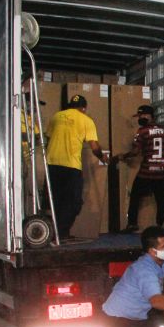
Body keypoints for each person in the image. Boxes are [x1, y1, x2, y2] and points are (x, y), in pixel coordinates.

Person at [45, 94, 107, 240]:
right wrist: (102, 157)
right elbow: (94, 146)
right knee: (74, 202)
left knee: (55, 200)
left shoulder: (56, 116)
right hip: (71, 166)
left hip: (52, 163)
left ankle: (54, 232)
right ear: (84, 108)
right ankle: (61, 233)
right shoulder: (86, 120)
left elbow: (48, 137)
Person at [102, 226, 164, 327]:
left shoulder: (162, 263)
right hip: (118, 320)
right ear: (153, 251)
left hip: (139, 317)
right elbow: (157, 301)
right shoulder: (144, 270)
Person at [112, 105, 164, 232]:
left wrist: (123, 156)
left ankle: (132, 224)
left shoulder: (142, 131)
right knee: (161, 200)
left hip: (146, 172)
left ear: (150, 116)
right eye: (139, 116)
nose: (140, 118)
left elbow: (135, 151)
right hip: (161, 172)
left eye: (142, 115)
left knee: (134, 197)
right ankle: (160, 226)